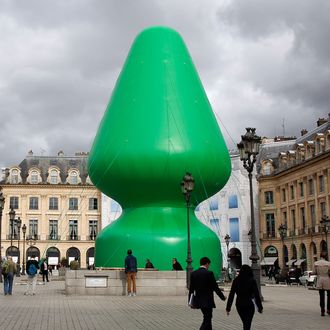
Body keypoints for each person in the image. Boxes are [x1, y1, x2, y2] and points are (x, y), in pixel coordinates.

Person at [189, 256, 226, 330]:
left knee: (207, 317)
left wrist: (190, 302)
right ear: (207, 264)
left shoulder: (194, 274)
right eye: (209, 264)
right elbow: (215, 287)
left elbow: (191, 290)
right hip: (208, 301)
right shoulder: (209, 273)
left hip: (199, 301)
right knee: (207, 318)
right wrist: (222, 297)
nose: (209, 266)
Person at [226, 264, 263, 330]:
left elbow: (231, 294)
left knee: (245, 323)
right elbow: (257, 295)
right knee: (247, 323)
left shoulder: (236, 280)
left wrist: (228, 308)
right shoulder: (252, 280)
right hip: (249, 304)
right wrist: (260, 307)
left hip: (239, 305)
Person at [313, 251, 330, 316]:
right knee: (329, 295)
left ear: (320, 256)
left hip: (320, 280)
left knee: (321, 296)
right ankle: (328, 309)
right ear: (326, 256)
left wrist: (312, 273)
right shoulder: (328, 263)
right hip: (327, 280)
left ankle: (322, 311)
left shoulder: (316, 263)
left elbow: (314, 272)